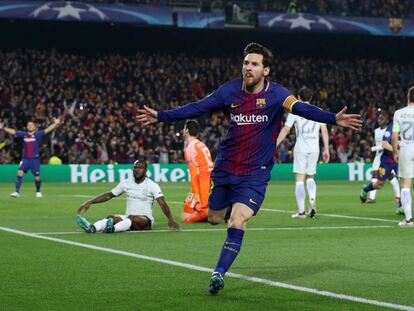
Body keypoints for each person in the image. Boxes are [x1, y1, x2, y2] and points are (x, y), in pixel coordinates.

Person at [136, 42, 362, 294]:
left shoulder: (278, 95)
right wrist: (161, 115)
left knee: (238, 220)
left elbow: (302, 108)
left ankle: (218, 273)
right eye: (246, 63)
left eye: (254, 64)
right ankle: (237, 207)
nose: (248, 67)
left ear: (266, 70)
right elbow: (197, 108)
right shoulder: (229, 91)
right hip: (225, 168)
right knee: (214, 218)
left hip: (255, 172)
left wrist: (332, 118)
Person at [75, 160, 180, 233]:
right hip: (128, 217)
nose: (137, 170)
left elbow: (162, 203)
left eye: (140, 168)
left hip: (145, 220)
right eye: (135, 168)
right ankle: (93, 227)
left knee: (131, 218)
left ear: (145, 170)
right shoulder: (127, 182)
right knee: (111, 217)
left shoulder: (152, 185)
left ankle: (112, 229)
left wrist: (170, 219)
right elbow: (109, 195)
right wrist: (90, 201)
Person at [276, 86, 330, 219]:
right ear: (310, 98)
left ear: (299, 97)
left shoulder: (295, 111)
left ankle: (301, 212)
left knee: (299, 179)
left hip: (301, 148)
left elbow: (286, 130)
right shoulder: (318, 110)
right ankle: (312, 198)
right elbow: (324, 130)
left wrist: (275, 143)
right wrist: (327, 149)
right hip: (315, 148)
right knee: (310, 177)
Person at [0, 118, 61, 198]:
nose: (29, 126)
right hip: (25, 159)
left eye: (31, 125)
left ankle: (38, 191)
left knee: (37, 177)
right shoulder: (24, 134)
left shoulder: (38, 134)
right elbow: (14, 131)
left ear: (35, 127)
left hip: (34, 160)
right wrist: (3, 128)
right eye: (28, 125)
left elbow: (48, 130)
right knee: (19, 173)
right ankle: (17, 192)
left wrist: (55, 124)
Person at [360, 115, 401, 214]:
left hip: (399, 160)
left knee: (404, 182)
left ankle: (401, 206)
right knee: (379, 184)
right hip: (387, 160)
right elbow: (384, 144)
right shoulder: (392, 127)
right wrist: (396, 151)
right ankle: (366, 189)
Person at [182, 120, 214, 224]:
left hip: (202, 183)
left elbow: (194, 173)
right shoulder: (201, 144)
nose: (183, 130)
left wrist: (196, 195)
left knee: (185, 219)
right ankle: (210, 208)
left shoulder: (190, 148)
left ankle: (215, 211)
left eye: (184, 128)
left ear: (186, 130)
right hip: (208, 181)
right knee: (188, 213)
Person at [392, 86, 414, 227]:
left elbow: (395, 135)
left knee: (405, 185)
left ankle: (408, 219)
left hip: (406, 149)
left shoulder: (398, 113)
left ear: (408, 97)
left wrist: (395, 151)